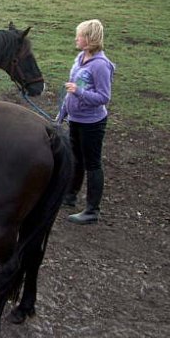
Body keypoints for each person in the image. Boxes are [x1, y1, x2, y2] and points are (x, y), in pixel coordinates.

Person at [56, 19, 115, 225]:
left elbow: (104, 97)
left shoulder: (100, 66)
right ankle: (70, 196)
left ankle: (92, 210)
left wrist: (79, 92)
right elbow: (70, 91)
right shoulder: (80, 58)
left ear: (89, 39)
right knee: (76, 159)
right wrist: (62, 115)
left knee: (92, 163)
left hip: (92, 123)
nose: (76, 38)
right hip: (76, 119)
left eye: (79, 35)